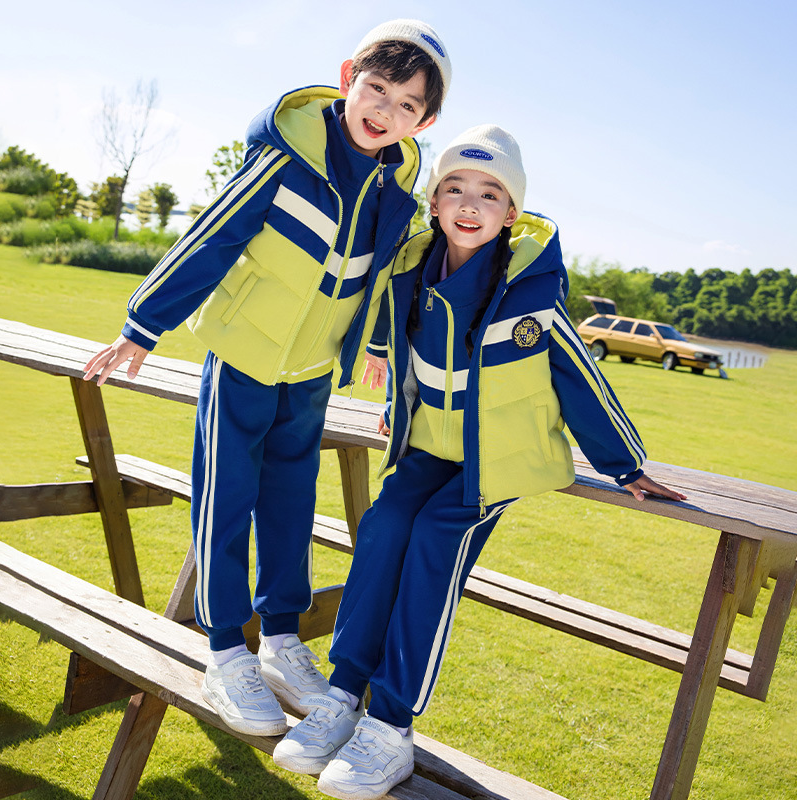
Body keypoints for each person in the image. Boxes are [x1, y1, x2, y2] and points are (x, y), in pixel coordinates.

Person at [272, 125, 687, 799]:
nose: (470, 204)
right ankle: (342, 695)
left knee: (437, 537)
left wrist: (625, 464)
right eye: (456, 189)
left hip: (495, 457)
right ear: (435, 202)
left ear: (511, 212)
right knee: (384, 526)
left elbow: (579, 377)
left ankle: (390, 726)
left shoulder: (530, 291)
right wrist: (397, 400)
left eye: (490, 194)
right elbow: (400, 335)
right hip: (430, 445)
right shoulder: (412, 267)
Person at [82, 19, 451, 737]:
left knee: (290, 504)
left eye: (407, 104)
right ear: (348, 79)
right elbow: (214, 235)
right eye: (377, 89)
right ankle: (225, 650)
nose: (385, 110)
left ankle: (281, 640)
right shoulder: (287, 156)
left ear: (424, 122)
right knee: (226, 499)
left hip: (311, 372)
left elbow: (386, 278)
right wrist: (142, 324)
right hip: (243, 359)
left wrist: (378, 346)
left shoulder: (396, 192)